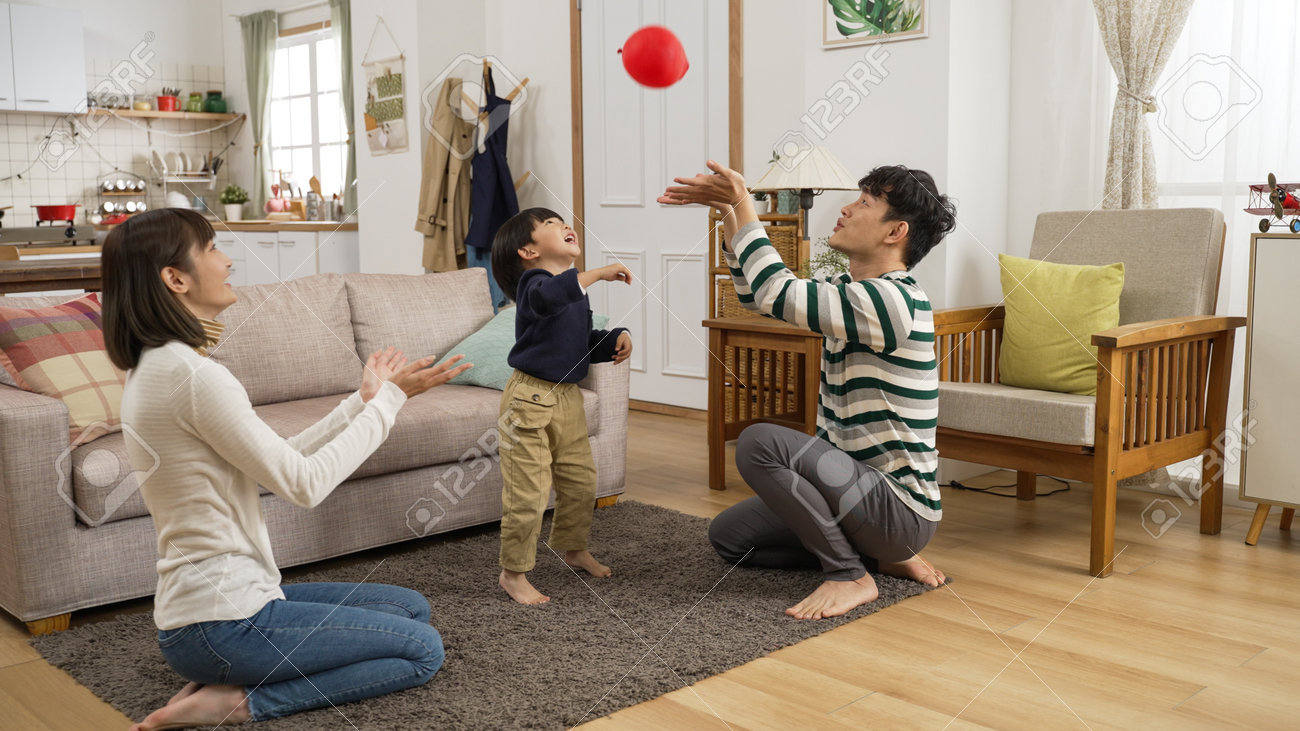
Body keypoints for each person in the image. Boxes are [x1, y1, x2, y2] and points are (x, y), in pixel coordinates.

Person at [102, 208, 472, 729]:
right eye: (211, 249)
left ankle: (223, 676)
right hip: (222, 623)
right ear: (175, 278)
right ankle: (235, 702)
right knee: (421, 650)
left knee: (408, 608)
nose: (227, 260)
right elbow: (304, 484)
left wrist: (362, 403)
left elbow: (276, 462)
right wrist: (388, 404)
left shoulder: (158, 366)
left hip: (212, 614)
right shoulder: (192, 376)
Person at [658, 161, 956, 620]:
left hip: (898, 507)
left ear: (895, 231)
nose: (846, 208)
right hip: (854, 495)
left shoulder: (893, 300)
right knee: (730, 538)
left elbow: (777, 289)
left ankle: (849, 575)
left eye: (864, 203)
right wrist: (729, 213)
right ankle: (878, 558)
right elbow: (758, 296)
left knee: (759, 442)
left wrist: (742, 201)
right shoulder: (849, 291)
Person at [489, 207, 634, 604]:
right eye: (551, 225)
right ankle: (513, 572)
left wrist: (614, 339)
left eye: (564, 221)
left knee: (581, 481)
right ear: (528, 251)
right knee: (528, 494)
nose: (566, 226)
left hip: (567, 398)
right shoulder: (535, 287)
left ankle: (574, 549)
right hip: (529, 400)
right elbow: (550, 298)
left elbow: (577, 341)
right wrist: (596, 274)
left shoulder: (572, 293)